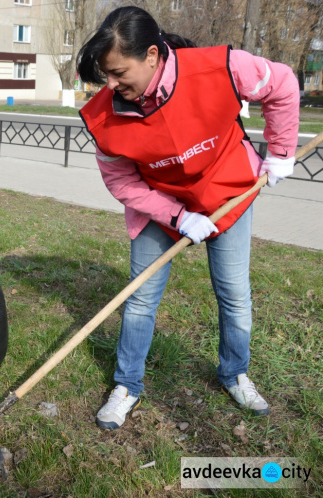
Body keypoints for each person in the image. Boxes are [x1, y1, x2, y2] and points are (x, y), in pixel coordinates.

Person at [76, 6, 299, 430]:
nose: (111, 84)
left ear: (154, 57)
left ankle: (235, 373)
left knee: (234, 294)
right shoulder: (105, 115)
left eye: (119, 72)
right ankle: (127, 385)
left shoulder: (223, 68)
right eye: (106, 74)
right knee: (140, 298)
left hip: (228, 192)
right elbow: (122, 183)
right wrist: (177, 216)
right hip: (159, 205)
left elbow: (283, 85)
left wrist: (281, 152)